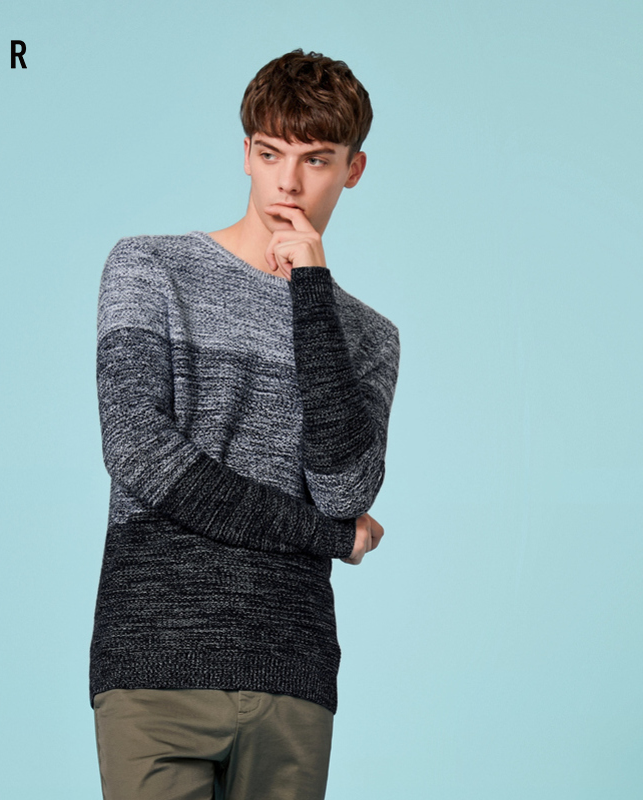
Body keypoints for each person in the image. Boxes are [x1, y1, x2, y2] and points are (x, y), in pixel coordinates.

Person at [90, 48, 400, 800]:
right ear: (246, 155)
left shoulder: (367, 336)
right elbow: (139, 453)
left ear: (353, 170)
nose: (287, 183)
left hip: (292, 671)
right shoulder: (149, 268)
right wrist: (329, 538)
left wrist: (312, 295)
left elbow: (345, 488)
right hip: (157, 663)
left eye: (315, 159)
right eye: (270, 154)